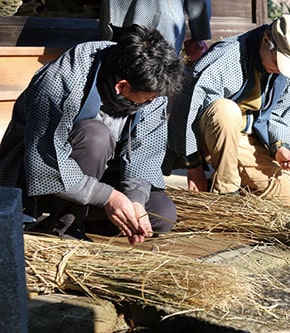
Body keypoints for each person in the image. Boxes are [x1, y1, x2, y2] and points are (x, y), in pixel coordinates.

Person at [0, 25, 184, 244]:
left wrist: (134, 199)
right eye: (146, 100)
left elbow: (144, 154)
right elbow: (46, 161)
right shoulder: (65, 79)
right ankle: (63, 227)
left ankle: (86, 216)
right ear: (121, 86)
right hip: (38, 182)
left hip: (99, 179)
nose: (152, 103)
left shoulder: (152, 85)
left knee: (161, 216)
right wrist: (107, 196)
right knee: (96, 136)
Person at [165, 14, 290, 204]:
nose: (282, 69)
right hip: (210, 131)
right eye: (280, 61)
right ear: (267, 41)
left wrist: (280, 147)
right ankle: (226, 193)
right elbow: (186, 109)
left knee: (286, 192)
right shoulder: (228, 56)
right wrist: (193, 168)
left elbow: (284, 115)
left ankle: (216, 192)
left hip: (248, 138)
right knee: (227, 110)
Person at [99, 0, 212, 62]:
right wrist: (199, 34)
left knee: (114, 72)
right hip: (160, 15)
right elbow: (199, 4)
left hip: (117, 15)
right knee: (158, 76)